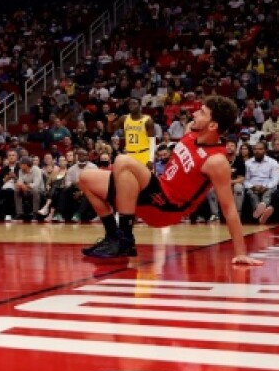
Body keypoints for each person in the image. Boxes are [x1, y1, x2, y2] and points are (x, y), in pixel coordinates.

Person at [78, 96, 263, 266]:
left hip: (168, 207)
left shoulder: (217, 161)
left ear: (213, 125)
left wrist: (241, 253)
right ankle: (113, 237)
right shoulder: (191, 132)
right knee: (86, 178)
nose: (194, 114)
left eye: (202, 112)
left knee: (123, 161)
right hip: (157, 190)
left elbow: (229, 208)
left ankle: (125, 239)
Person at [242, 143, 279, 224]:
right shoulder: (247, 163)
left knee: (268, 192)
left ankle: (261, 208)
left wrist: (266, 187)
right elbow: (245, 180)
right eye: (255, 149)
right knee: (251, 194)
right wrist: (252, 187)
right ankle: (262, 213)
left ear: (265, 150)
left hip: (268, 186)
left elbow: (275, 179)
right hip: (253, 187)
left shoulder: (273, 162)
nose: (257, 151)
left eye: (260, 149)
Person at [115, 97, 157, 168]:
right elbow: (110, 130)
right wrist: (110, 121)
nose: (131, 105)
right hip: (129, 154)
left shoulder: (148, 121)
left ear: (140, 106)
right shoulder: (124, 118)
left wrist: (151, 159)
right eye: (130, 104)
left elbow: (152, 141)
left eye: (134, 103)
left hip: (144, 154)